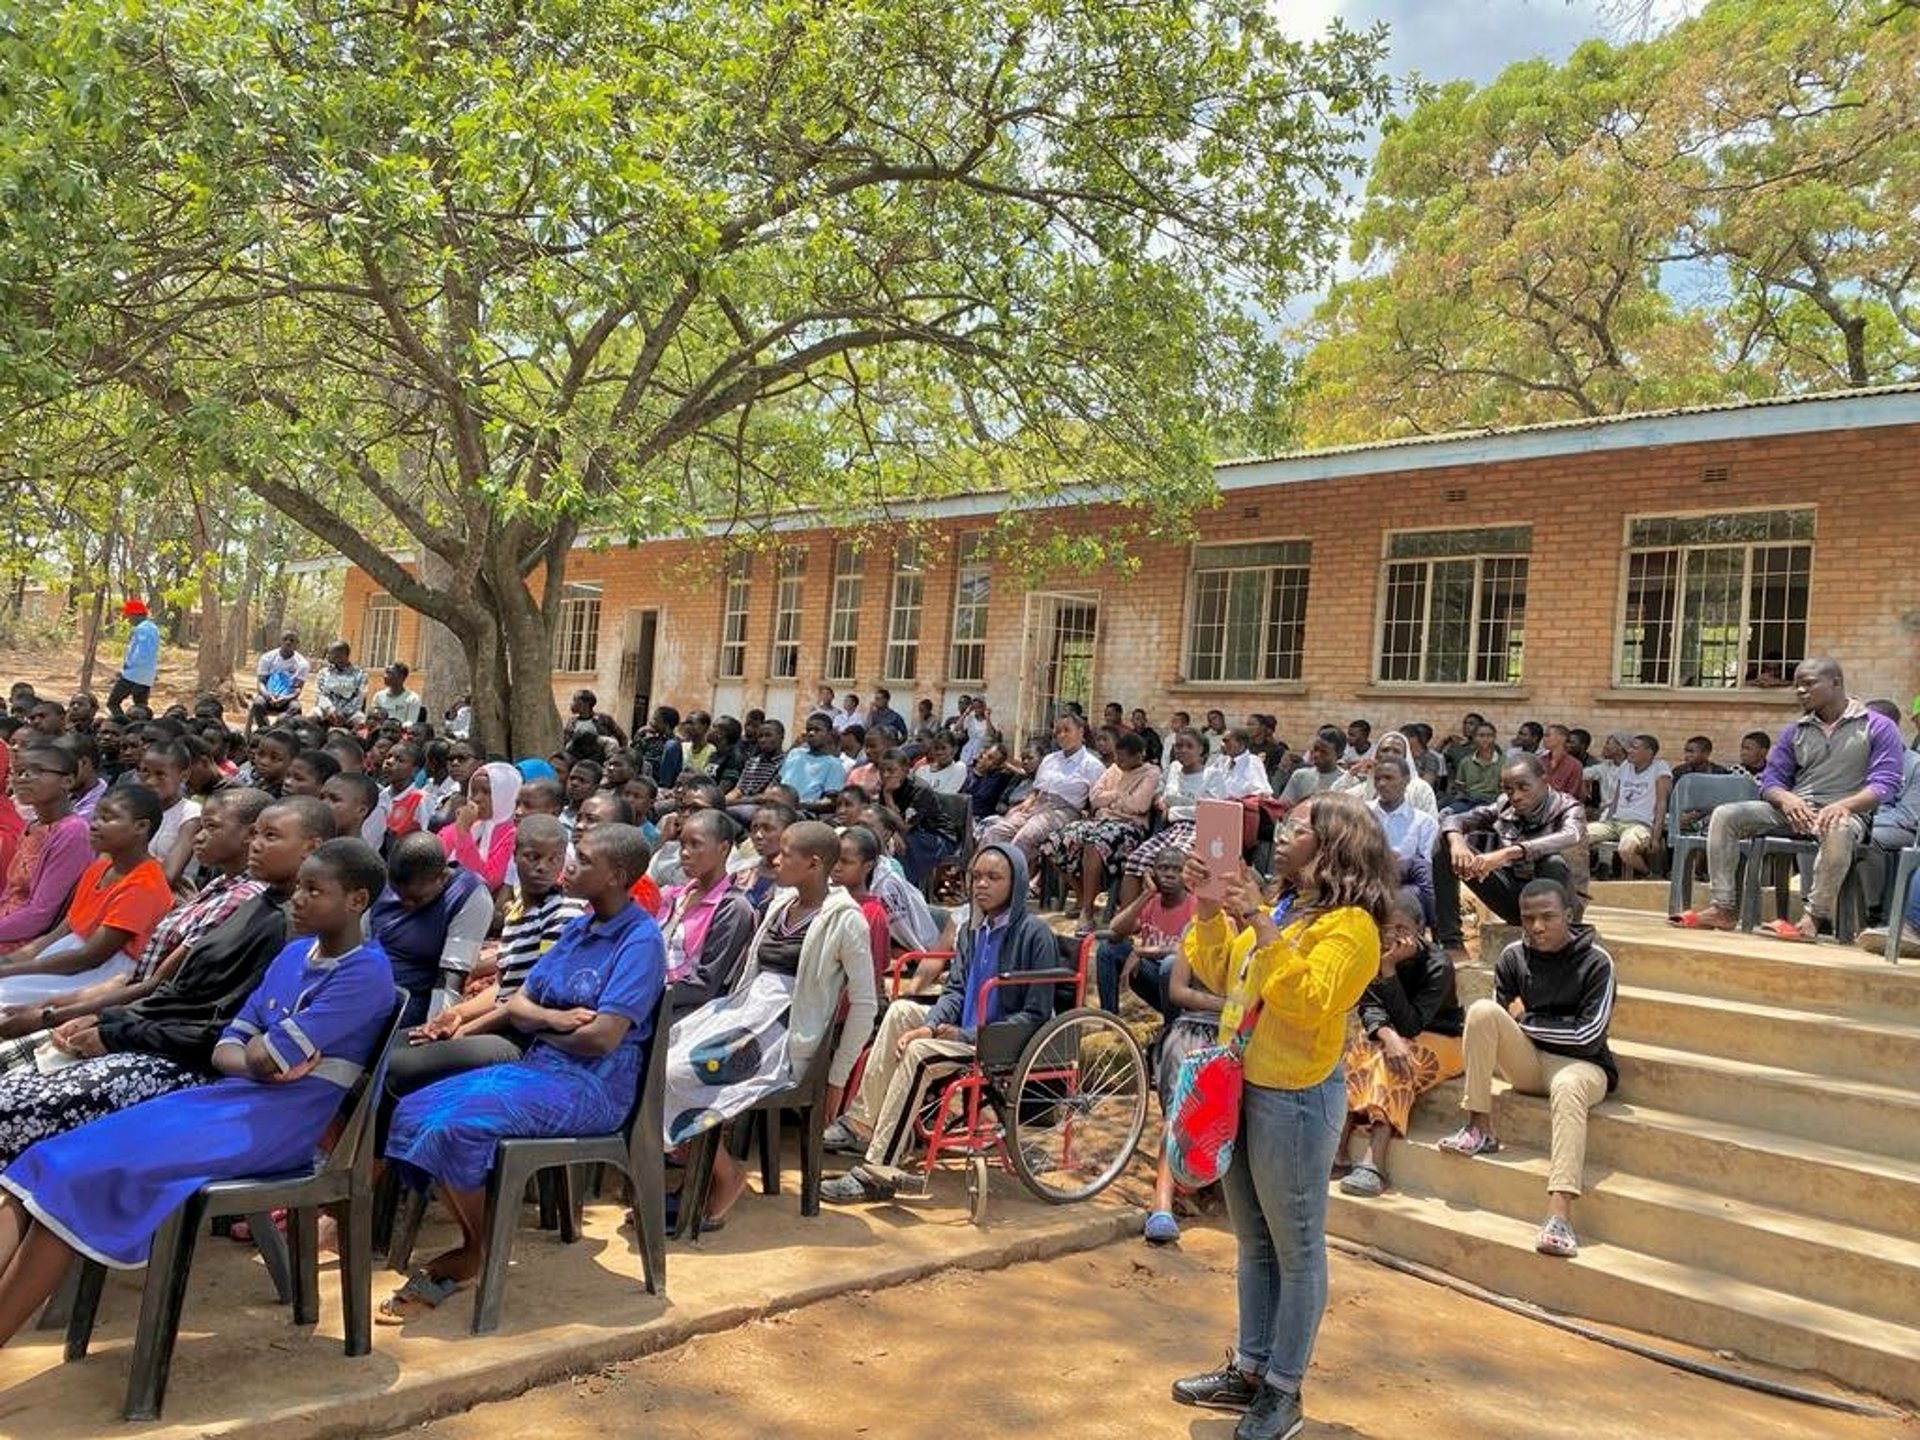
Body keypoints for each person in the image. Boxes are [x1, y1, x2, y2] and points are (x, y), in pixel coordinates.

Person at [0, 838, 392, 1340]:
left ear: (356, 901)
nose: (298, 899)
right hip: (227, 1101)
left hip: (279, 1124)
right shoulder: (293, 956)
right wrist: (261, 1060)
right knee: (47, 1158)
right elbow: (232, 1049)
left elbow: (261, 1052)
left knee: (80, 1173)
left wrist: (260, 1056)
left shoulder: (366, 975)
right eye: (299, 887)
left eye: (315, 891)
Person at [1169, 792, 1396, 1438]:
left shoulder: (1351, 927)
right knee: (1254, 1242)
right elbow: (1226, 973)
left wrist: (1262, 924)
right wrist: (1211, 910)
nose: (1283, 833)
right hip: (1246, 1087)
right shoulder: (1291, 910)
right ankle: (1250, 1368)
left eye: (1298, 827)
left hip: (1296, 1098)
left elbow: (1306, 1001)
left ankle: (1284, 1389)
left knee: (1296, 1250)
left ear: (1332, 848)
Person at [380, 824, 663, 1319]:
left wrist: (539, 1025)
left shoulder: (640, 941)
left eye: (584, 860)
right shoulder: (582, 927)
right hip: (543, 1067)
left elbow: (602, 1038)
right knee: (416, 1108)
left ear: (616, 876)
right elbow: (523, 1000)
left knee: (454, 1124)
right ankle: (481, 1241)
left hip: (593, 1087)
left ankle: (476, 1249)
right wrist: (553, 1022)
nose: (569, 866)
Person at [0, 793, 323, 1164]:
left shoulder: (287, 928)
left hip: (179, 1061)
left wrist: (106, 1028)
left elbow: (209, 1024)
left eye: (270, 836)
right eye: (256, 834)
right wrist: (97, 1020)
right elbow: (172, 991)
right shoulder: (254, 901)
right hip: (142, 1026)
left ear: (310, 848)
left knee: (13, 1105)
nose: (256, 843)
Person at [661, 821, 876, 1229]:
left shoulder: (847, 920)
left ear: (814, 864)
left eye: (787, 852)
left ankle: (725, 1177)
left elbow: (865, 1004)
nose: (775, 858)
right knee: (655, 1060)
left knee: (679, 1072)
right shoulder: (781, 905)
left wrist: (835, 1077)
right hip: (748, 1016)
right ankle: (700, 1172)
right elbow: (750, 976)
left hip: (783, 1035)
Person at [820, 841, 1057, 1200]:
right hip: (960, 1027)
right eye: (977, 876)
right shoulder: (972, 931)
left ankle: (879, 1171)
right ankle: (862, 1124)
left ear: (1017, 883)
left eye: (994, 877)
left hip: (998, 1039)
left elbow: (1036, 1012)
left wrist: (964, 1034)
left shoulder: (1035, 934)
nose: (982, 884)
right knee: (901, 1011)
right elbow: (956, 990)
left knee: (919, 1055)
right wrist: (930, 1026)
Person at [1439, 879, 1616, 1258]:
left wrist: (1525, 1018)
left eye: (1548, 917)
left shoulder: (1597, 962)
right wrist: (1523, 1021)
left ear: (1569, 915)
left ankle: (1559, 1214)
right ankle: (1478, 1126)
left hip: (1583, 1067)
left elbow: (1588, 1034)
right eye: (1528, 919)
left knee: (1568, 1085)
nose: (1537, 927)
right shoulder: (1512, 957)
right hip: (1529, 1063)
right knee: (1482, 1012)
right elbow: (1500, 1014)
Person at [1674, 657, 1903, 941]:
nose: (1800, 691)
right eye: (1797, 686)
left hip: (1847, 814)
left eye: (1808, 684)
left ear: (1836, 682)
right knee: (1726, 815)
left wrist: (1842, 806)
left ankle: (1812, 919)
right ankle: (1723, 908)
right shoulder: (1795, 731)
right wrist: (1786, 800)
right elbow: (1771, 782)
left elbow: (1886, 784)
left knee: (1839, 828)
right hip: (1795, 811)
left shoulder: (1877, 726)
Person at [383, 815, 586, 1099]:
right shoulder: (516, 914)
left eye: (554, 859)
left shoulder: (563, 915)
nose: (543, 867)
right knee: (389, 1048)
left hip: (522, 1037)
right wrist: (454, 1015)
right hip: (498, 1023)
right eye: (533, 856)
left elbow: (532, 997)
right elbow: (502, 988)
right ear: (514, 855)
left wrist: (466, 1030)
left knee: (397, 1067)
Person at [1335, 891, 1464, 1198]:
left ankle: (1375, 1160)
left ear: (1420, 928)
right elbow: (1369, 1005)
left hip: (1442, 1040)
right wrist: (1386, 1034)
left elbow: (1412, 1024)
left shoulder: (1438, 964)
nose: (1392, 936)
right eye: (1386, 929)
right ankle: (1337, 1150)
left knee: (1393, 1061)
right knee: (1359, 1053)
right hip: (1391, 1036)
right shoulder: (1374, 955)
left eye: (1401, 929)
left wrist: (1390, 969)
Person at [0, 785, 174, 1007]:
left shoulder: (145, 884)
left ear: (140, 827)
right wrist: (12, 961)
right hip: (65, 957)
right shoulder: (100, 866)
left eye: (107, 818)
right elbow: (64, 930)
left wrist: (11, 970)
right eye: (96, 816)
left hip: (100, 974)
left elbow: (91, 956)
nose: (94, 824)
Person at [1432, 755, 1589, 957]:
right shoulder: (1504, 805)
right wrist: (1456, 841)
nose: (1516, 796)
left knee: (1552, 862)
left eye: (1524, 787)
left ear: (1544, 780)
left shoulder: (1569, 808)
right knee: (1444, 840)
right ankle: (1451, 943)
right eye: (1508, 789)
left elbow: (1571, 835)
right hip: (1517, 900)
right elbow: (1455, 819)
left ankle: (1557, 950)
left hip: (1561, 904)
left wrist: (1507, 854)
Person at [1045, 730, 1160, 935]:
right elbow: (1094, 797)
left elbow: (1140, 805)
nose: (1119, 762)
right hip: (1102, 821)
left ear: (1139, 756)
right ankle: (1082, 894)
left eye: (1124, 759)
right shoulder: (1114, 768)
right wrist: (1118, 796)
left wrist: (1111, 801)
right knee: (1054, 841)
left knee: (1094, 842)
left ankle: (1087, 912)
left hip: (1129, 829)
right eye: (1117, 757)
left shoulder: (1150, 773)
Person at [656, 810, 757, 1020]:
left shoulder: (733, 908)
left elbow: (705, 985)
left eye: (695, 844)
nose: (684, 852)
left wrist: (645, 994)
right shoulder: (671, 895)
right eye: (683, 844)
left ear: (723, 849)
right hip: (648, 995)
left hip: (680, 1013)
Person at [975, 712, 1106, 865]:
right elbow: (1037, 790)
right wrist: (1027, 803)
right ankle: (983, 875)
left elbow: (1096, 801)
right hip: (1037, 805)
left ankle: (1011, 881)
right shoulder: (1050, 759)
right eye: (1058, 732)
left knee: (1025, 838)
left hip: (1064, 811)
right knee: (996, 832)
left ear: (1081, 731)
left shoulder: (1092, 765)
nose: (1062, 735)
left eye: (1066, 730)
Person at [1097, 847, 1196, 1018]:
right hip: (1151, 976)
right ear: (1152, 872)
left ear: (1187, 875)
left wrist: (1141, 952)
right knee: (1108, 949)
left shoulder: (1195, 906)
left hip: (1181, 986)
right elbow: (1116, 928)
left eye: (1177, 870)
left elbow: (1187, 951)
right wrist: (1147, 893)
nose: (1170, 875)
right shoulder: (1152, 902)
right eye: (1163, 868)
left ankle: (1171, 1025)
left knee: (1170, 963)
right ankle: (1110, 1019)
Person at [1585, 733, 1672, 878]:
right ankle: (1578, 879)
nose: (1629, 750)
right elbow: (1617, 799)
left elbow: (1662, 804)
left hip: (1640, 825)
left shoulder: (1660, 768)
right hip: (1615, 822)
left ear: (1649, 752)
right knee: (1575, 837)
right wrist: (1608, 821)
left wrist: (1656, 837)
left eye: (1635, 748)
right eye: (1630, 747)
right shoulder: (1626, 766)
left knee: (1626, 849)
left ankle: (1649, 875)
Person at [443, 760, 521, 893]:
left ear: (505, 795)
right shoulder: (470, 823)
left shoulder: (513, 835)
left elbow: (485, 881)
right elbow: (435, 854)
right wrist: (461, 827)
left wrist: (463, 832)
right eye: (474, 791)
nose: (477, 798)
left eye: (486, 792)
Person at [778, 713, 847, 815]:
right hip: (778, 805)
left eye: (817, 730)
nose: (811, 733)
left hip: (804, 811)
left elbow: (830, 802)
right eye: (808, 729)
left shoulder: (834, 764)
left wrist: (798, 805)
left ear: (829, 734)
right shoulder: (795, 753)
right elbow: (778, 782)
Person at [108, 598, 163, 720]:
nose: (127, 618)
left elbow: (141, 654)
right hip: (146, 676)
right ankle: (141, 728)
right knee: (141, 708)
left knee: (113, 703)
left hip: (133, 675)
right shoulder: (153, 628)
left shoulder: (142, 629)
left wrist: (127, 667)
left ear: (136, 614)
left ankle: (123, 725)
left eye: (128, 615)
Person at [248, 629, 311, 732]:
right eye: (285, 639)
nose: (288, 642)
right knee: (258, 704)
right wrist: (268, 696)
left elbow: (298, 689)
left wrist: (285, 698)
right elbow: (261, 682)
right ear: (280, 641)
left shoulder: (302, 664)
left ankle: (275, 729)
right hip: (267, 695)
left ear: (297, 644)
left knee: (296, 708)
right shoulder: (267, 658)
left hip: (288, 698)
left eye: (292, 640)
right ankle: (263, 729)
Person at [1441, 721, 1505, 815]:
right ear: (1474, 738)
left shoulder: (1504, 762)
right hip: (1468, 800)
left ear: (1494, 738)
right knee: (1445, 813)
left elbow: (1504, 790)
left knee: (1476, 816)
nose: (1485, 739)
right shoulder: (1466, 762)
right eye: (1481, 735)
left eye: (1489, 736)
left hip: (1491, 802)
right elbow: (1460, 787)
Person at [311, 640, 369, 725]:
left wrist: (344, 712)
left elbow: (360, 697)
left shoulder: (360, 674)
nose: (327, 656)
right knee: (311, 717)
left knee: (362, 723)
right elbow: (319, 694)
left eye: (330, 653)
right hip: (326, 710)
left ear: (342, 655)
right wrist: (330, 709)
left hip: (350, 713)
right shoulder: (323, 672)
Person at [369, 662, 425, 727]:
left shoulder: (413, 698)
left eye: (389, 673)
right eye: (385, 672)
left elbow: (410, 722)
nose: (385, 676)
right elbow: (373, 718)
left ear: (401, 677)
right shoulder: (378, 696)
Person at [1538, 725, 1587, 799]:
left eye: (1547, 735)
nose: (1544, 739)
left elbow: (1573, 793)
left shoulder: (1574, 765)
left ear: (1561, 738)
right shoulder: (1540, 761)